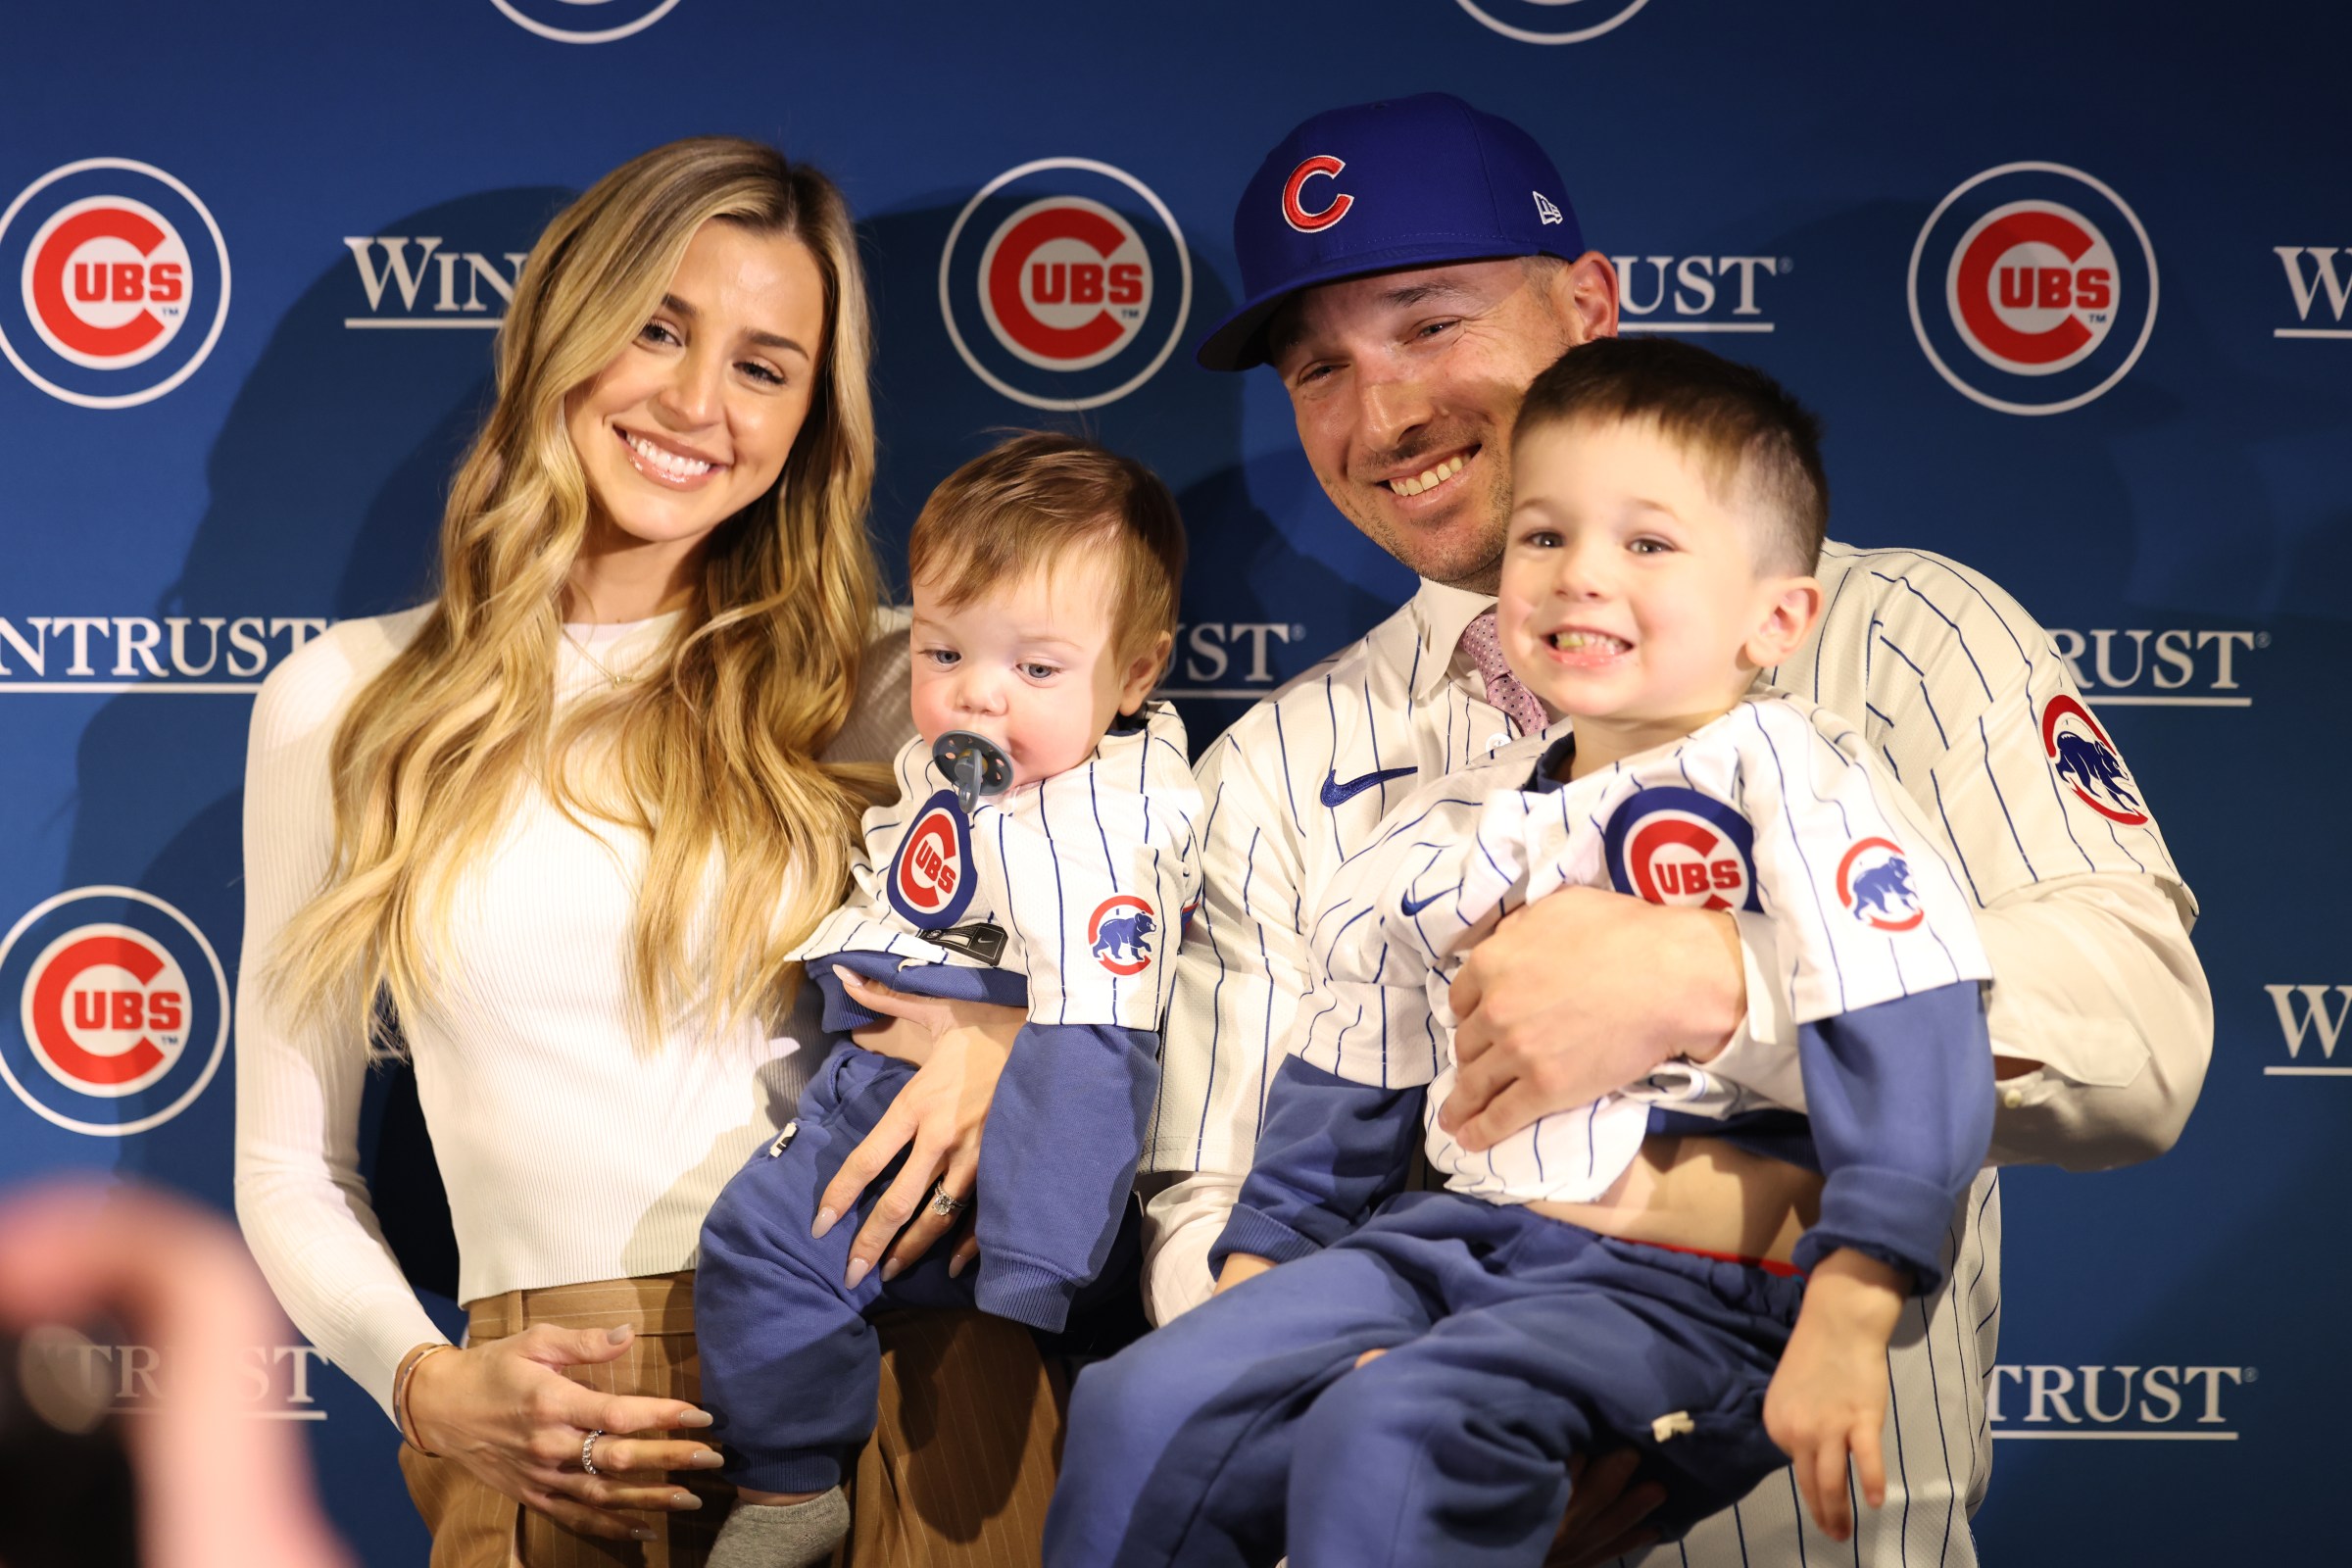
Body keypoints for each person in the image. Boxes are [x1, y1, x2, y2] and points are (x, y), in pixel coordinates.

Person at [1138, 93, 2210, 1565]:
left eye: (1432, 324)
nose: (1384, 414)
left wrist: (1717, 988)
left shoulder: (1908, 633)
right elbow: (1214, 1191)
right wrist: (1364, 1440)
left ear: (1590, 306)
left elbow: (2141, 1037)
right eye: (1321, 366)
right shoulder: (1276, 764)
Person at [233, 136, 1061, 1566]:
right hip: (571, 1420)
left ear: (812, 413)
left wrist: (1010, 1048)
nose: (695, 401)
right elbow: (289, 1166)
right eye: (658, 327)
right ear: (563, 329)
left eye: (763, 364)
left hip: (921, 1387)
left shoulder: (903, 682)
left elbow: (1149, 949)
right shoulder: (346, 702)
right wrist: (424, 1386)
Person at [1052, 338, 1997, 1566]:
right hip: (1459, 1251)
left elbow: (1917, 1028)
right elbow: (1351, 1081)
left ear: (1777, 615)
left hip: (1686, 1284)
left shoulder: (1797, 781)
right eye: (1543, 539)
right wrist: (1255, 1286)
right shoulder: (1450, 817)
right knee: (1147, 1402)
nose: (1579, 579)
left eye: (1646, 545)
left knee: (1398, 1432)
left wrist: (1854, 1302)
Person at [694, 432, 1202, 1568]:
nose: (976, 690)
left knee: (764, 1241)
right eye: (943, 648)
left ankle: (785, 1488)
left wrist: (1036, 1267)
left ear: (1133, 675)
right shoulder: (972, 760)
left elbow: (1094, 1051)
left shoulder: (1100, 827)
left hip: (984, 1155)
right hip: (874, 1076)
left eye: (1036, 668)